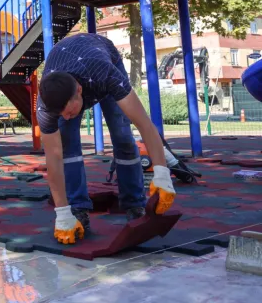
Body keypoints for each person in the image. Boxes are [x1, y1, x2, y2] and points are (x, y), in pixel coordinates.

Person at [36, 33, 177, 245]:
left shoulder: (106, 74)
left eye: (69, 111)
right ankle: (77, 209)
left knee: (122, 134)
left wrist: (162, 173)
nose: (65, 117)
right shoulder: (46, 107)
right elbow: (53, 160)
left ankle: (134, 204)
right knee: (66, 147)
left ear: (79, 92)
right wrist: (62, 213)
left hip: (103, 56)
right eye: (60, 114)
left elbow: (145, 125)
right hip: (68, 61)